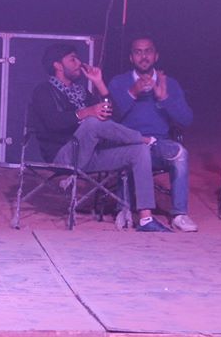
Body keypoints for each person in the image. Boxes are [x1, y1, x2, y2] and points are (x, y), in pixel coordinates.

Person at [28, 43, 168, 232]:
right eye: (72, 59)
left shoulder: (81, 92)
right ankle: (142, 138)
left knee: (139, 151)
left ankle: (146, 219)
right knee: (92, 123)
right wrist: (86, 113)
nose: (79, 63)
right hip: (62, 156)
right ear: (58, 65)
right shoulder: (43, 91)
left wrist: (99, 84)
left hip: (88, 155)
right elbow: (54, 123)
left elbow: (114, 118)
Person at [108, 36, 198, 232]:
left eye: (148, 51)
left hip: (158, 145)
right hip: (128, 143)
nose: (143, 56)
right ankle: (123, 208)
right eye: (138, 52)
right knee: (133, 152)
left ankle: (179, 214)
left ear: (156, 56)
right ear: (131, 57)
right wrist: (132, 93)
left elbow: (186, 120)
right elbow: (110, 119)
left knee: (180, 153)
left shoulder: (170, 84)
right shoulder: (119, 82)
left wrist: (165, 99)